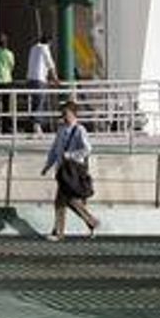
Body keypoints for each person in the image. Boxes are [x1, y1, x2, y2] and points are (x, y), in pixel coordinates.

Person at [41, 101, 99, 241]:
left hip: (73, 170)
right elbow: (54, 149)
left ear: (73, 114)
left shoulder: (80, 130)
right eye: (63, 113)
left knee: (66, 201)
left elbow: (87, 149)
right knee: (63, 201)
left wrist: (71, 155)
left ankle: (61, 232)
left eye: (66, 113)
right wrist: (48, 166)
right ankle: (90, 223)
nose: (63, 116)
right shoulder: (61, 130)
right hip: (62, 171)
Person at [25, 35, 58, 133]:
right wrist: (55, 78)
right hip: (39, 79)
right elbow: (50, 63)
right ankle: (37, 124)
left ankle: (32, 124)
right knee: (40, 102)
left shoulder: (33, 48)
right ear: (49, 42)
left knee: (34, 102)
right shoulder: (45, 48)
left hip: (30, 79)